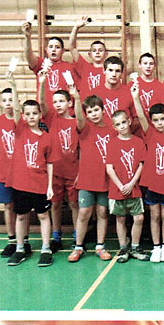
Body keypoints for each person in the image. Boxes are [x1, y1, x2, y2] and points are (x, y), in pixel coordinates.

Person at [5, 72, 56, 267]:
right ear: (23, 116)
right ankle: (20, 249)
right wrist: (13, 85)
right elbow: (16, 108)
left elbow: (50, 163)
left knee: (43, 216)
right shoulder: (20, 130)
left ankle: (45, 249)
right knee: (21, 216)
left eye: (35, 113)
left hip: (40, 184)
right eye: (28, 114)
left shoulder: (46, 137)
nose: (31, 116)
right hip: (21, 184)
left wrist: (50, 186)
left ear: (40, 115)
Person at [131, 82, 164, 263]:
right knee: (154, 215)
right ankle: (156, 246)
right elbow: (141, 116)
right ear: (152, 121)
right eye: (156, 120)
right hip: (152, 183)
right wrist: (136, 97)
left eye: (162, 119)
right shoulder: (150, 133)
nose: (159, 123)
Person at [67, 90, 115, 262]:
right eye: (89, 112)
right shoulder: (85, 127)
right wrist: (77, 99)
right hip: (87, 179)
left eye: (96, 110)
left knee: (102, 212)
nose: (93, 114)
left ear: (103, 110)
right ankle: (78, 247)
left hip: (105, 178)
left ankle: (100, 246)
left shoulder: (112, 129)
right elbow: (79, 119)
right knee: (84, 212)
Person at [38, 71, 79, 252]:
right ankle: (56, 236)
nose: (57, 104)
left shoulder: (76, 122)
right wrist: (42, 83)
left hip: (73, 171)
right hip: (54, 171)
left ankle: (78, 236)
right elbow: (42, 103)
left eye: (61, 101)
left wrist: (80, 173)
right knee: (55, 204)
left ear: (70, 103)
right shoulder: (51, 118)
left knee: (74, 204)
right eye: (55, 102)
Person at [106, 110, 149, 263]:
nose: (122, 126)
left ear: (129, 121)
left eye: (124, 122)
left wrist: (132, 183)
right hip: (117, 189)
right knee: (121, 218)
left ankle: (135, 247)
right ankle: (123, 247)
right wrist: (120, 185)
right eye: (118, 124)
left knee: (139, 217)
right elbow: (109, 168)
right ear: (114, 127)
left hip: (134, 188)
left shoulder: (138, 142)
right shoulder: (112, 143)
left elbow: (141, 165)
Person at [22, 21, 74, 115]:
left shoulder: (69, 67)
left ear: (63, 51)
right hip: (44, 113)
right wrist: (27, 38)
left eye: (57, 47)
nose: (53, 49)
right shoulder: (41, 64)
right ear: (46, 50)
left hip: (65, 114)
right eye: (51, 47)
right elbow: (29, 56)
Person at [0, 86, 21, 257]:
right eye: (5, 100)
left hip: (22, 172)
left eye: (11, 100)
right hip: (4, 171)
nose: (8, 103)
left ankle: (23, 240)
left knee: (22, 207)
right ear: (1, 103)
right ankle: (11, 240)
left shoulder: (23, 120)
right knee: (8, 205)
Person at [69, 16, 107, 93]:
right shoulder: (84, 67)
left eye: (100, 50)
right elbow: (72, 48)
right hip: (86, 100)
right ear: (90, 54)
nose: (97, 52)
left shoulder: (110, 70)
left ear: (106, 54)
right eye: (94, 50)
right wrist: (76, 28)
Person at [94, 56, 136, 125]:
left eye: (117, 71)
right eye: (110, 70)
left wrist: (126, 130)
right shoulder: (94, 94)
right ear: (104, 71)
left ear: (122, 73)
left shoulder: (130, 92)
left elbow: (136, 119)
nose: (114, 74)